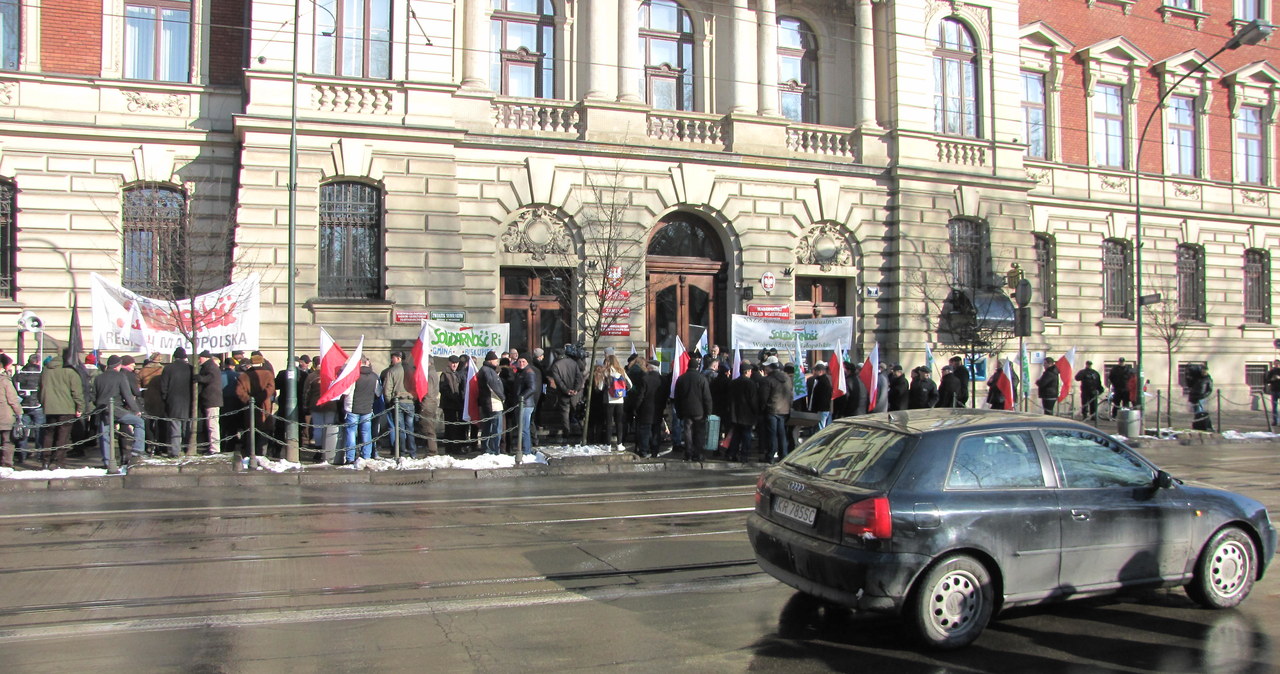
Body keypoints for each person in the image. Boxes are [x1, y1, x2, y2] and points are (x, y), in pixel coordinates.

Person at [92, 354, 145, 467]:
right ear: (117, 366)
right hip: (117, 410)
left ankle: (107, 461)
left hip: (102, 410)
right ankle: (137, 450)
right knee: (139, 422)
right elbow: (127, 395)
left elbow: (93, 396)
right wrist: (135, 410)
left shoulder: (98, 377)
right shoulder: (120, 376)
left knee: (105, 435)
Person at [38, 348, 84, 470]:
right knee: (62, 436)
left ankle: (45, 460)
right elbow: (77, 392)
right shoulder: (70, 371)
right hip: (67, 407)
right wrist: (80, 407)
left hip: (49, 407)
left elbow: (40, 389)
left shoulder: (46, 370)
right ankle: (58, 461)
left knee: (49, 434)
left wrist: (43, 403)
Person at [673, 353, 712, 461]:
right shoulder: (702, 378)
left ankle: (688, 453)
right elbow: (707, 397)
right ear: (697, 367)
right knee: (699, 432)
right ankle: (698, 453)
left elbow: (677, 397)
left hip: (686, 410)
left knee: (687, 432)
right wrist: (708, 412)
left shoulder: (681, 379)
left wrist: (679, 412)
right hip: (700, 411)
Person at [235, 354, 276, 459]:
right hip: (264, 406)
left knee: (250, 429)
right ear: (262, 362)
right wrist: (261, 398)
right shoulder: (268, 374)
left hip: (249, 407)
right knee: (264, 429)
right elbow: (271, 389)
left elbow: (239, 392)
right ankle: (262, 454)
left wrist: (250, 400)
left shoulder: (244, 376)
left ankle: (250, 453)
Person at [340, 356, 379, 463]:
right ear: (366, 362)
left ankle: (350, 458)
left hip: (352, 408)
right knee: (366, 433)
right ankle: (366, 456)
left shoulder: (353, 376)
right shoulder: (374, 376)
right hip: (367, 408)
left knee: (351, 433)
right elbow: (378, 393)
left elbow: (346, 392)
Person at [158, 346, 193, 458]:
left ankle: (175, 451)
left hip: (173, 401)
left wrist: (165, 398)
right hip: (188, 400)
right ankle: (187, 448)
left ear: (174, 357)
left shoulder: (168, 368)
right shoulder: (191, 368)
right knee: (187, 426)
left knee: (175, 426)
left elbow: (163, 386)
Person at [381, 351, 418, 458]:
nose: (391, 360)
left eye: (392, 358)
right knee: (410, 429)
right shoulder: (412, 371)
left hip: (397, 403)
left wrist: (389, 401)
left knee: (400, 429)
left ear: (398, 358)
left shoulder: (392, 371)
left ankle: (401, 452)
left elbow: (387, 389)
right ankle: (412, 453)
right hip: (410, 402)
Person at [594, 353, 632, 451]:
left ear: (608, 362)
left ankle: (608, 445)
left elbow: (600, 387)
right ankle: (619, 444)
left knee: (609, 423)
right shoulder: (622, 371)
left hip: (608, 400)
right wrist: (623, 391)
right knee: (619, 422)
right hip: (620, 400)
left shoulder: (606, 372)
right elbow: (630, 384)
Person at [546, 346, 584, 442]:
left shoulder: (556, 365)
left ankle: (567, 431)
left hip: (563, 393)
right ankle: (580, 428)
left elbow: (558, 381)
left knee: (565, 413)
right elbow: (579, 378)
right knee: (576, 410)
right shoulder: (573, 363)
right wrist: (575, 389)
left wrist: (566, 390)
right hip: (575, 393)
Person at [728, 361, 761, 462]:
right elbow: (753, 400)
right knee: (746, 435)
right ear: (747, 372)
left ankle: (732, 454)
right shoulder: (750, 384)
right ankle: (744, 455)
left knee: (736, 435)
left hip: (735, 413)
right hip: (747, 415)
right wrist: (756, 412)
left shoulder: (733, 382)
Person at [14, 354, 43, 464]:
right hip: (37, 405)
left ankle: (22, 455)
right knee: (39, 431)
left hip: (23, 405)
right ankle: (40, 454)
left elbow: (15, 386)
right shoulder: (40, 374)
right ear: (37, 362)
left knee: (23, 431)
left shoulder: (20, 373)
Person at [761, 359, 791, 462]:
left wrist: (762, 408)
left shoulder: (768, 380)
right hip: (784, 410)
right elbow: (790, 394)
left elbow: (763, 397)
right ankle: (783, 455)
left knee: (772, 434)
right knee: (782, 434)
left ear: (770, 367)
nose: (765, 368)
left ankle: (770, 456)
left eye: (766, 367)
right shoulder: (787, 378)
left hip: (772, 410)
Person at [476, 351, 505, 455]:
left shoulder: (486, 370)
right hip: (493, 402)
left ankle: (487, 448)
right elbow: (492, 385)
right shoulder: (488, 370)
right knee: (496, 427)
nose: (497, 362)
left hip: (488, 402)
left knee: (487, 427)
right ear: (490, 360)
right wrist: (502, 397)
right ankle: (494, 450)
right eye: (495, 360)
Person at [194, 351, 222, 454]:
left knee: (212, 425)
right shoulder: (209, 366)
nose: (198, 360)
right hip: (209, 400)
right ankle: (211, 447)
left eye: (200, 358)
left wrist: (199, 378)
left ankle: (215, 449)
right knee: (210, 425)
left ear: (205, 358)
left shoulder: (211, 367)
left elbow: (209, 378)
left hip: (212, 401)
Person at [0, 354, 23, 469]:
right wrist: (19, 412)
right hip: (4, 415)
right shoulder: (5, 381)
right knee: (7, 441)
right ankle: (6, 463)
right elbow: (13, 399)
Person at [516, 355, 541, 456]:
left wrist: (521, 398)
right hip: (523, 403)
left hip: (526, 404)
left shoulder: (529, 372)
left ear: (527, 362)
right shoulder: (520, 372)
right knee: (522, 428)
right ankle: (525, 448)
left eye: (523, 361)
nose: (521, 363)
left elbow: (532, 388)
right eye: (520, 361)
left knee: (524, 428)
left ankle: (526, 450)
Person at [438, 355, 464, 453]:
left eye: (456, 363)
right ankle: (451, 448)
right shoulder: (445, 374)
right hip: (449, 405)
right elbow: (443, 389)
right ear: (449, 363)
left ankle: (452, 447)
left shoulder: (456, 373)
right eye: (453, 363)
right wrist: (455, 398)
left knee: (453, 427)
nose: (454, 365)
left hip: (455, 404)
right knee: (451, 427)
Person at [1187, 364, 1214, 432]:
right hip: (1195, 396)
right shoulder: (1197, 378)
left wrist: (1204, 395)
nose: (1203, 372)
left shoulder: (1208, 379)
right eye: (1202, 370)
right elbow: (1190, 385)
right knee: (1196, 411)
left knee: (1199, 411)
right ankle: (1198, 424)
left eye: (1204, 371)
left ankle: (1201, 424)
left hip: (1201, 397)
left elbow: (1209, 389)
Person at [805, 362, 832, 429]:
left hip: (821, 409)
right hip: (821, 409)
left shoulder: (823, 381)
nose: (814, 373)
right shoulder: (819, 380)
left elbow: (822, 397)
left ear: (820, 371)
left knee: (821, 428)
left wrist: (816, 408)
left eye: (815, 371)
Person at [1267, 359, 1280, 427]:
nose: (1277, 365)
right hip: (1274, 390)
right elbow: (1267, 380)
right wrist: (1272, 379)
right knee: (1274, 407)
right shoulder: (1272, 371)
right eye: (1275, 363)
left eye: (1278, 363)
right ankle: (1275, 421)